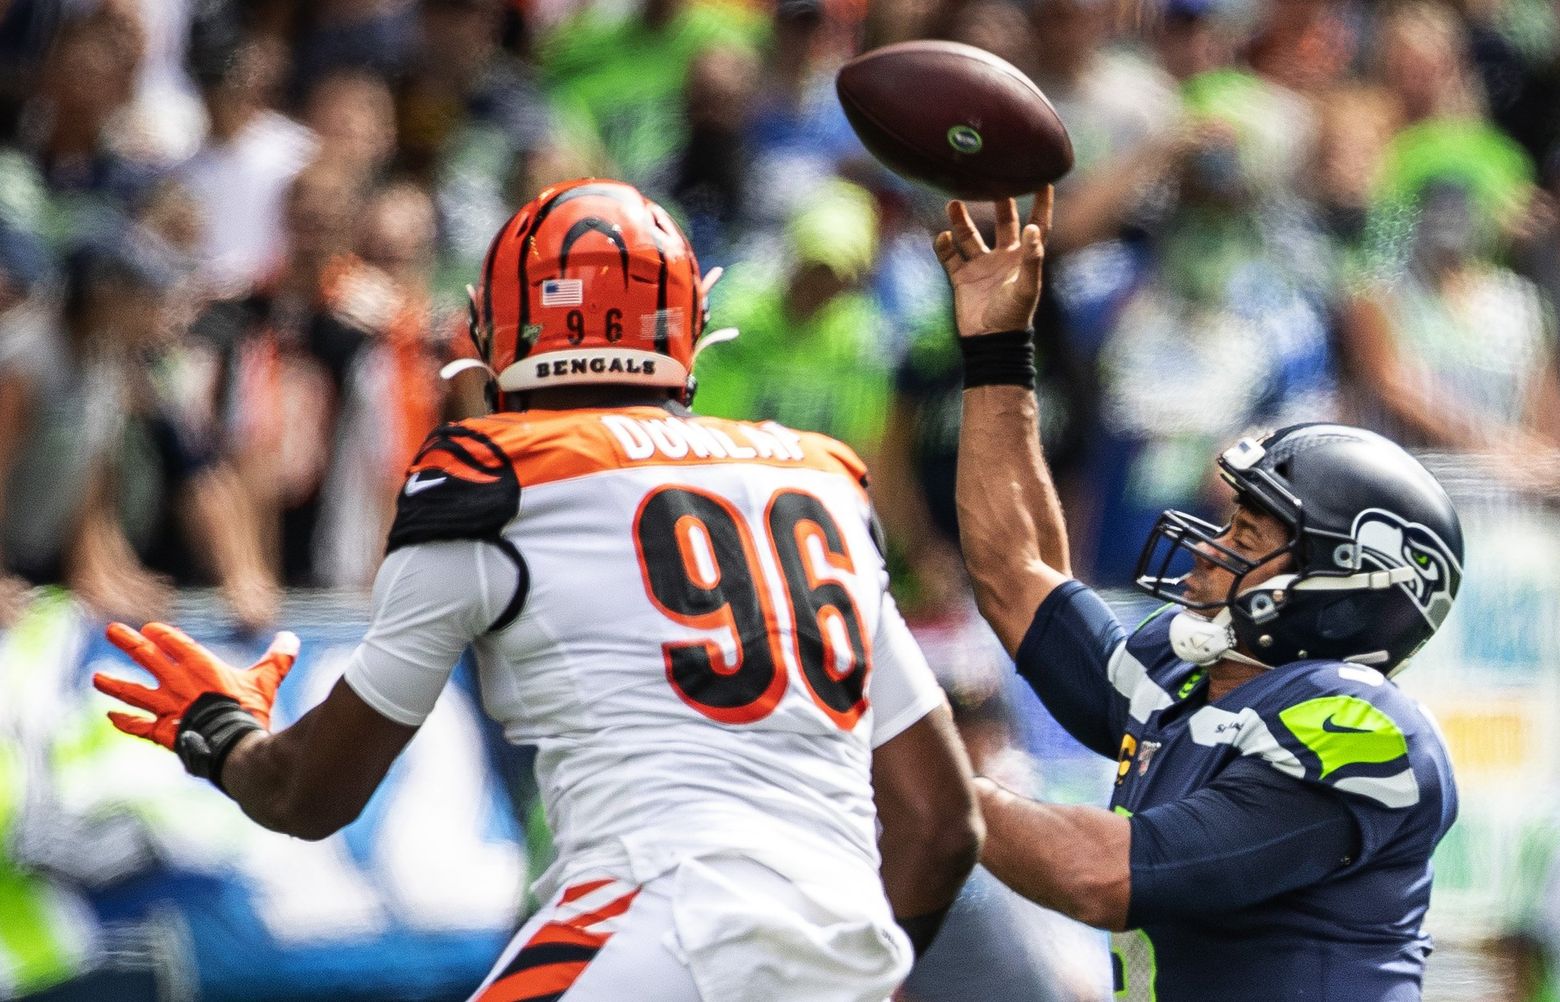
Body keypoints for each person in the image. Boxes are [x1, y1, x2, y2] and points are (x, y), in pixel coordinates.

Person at [92, 178, 982, 1002]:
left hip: (651, 926)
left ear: (495, 330)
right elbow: (944, 823)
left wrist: (222, 732)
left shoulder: (495, 479)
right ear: (689, 325)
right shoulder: (822, 481)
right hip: (847, 951)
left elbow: (309, 795)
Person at [935, 188, 1461, 1000]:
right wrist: (999, 350)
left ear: (1349, 588)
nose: (1212, 550)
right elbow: (1015, 571)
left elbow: (1098, 874)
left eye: (1246, 539)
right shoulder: (1183, 680)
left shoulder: (1356, 728)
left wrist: (905, 766)